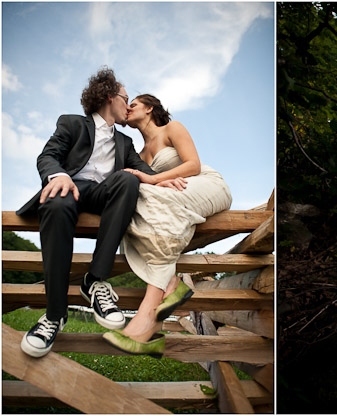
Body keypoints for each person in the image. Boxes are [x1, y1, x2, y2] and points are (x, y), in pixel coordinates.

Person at [16, 67, 160, 358]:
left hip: (102, 194)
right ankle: (54, 316)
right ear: (110, 96)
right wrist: (57, 175)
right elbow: (48, 155)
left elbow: (145, 172)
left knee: (129, 178)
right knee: (57, 203)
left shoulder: (125, 142)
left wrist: (169, 179)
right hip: (68, 187)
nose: (128, 106)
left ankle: (95, 280)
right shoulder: (72, 123)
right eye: (126, 98)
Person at [101, 94, 232, 356]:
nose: (127, 108)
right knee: (130, 210)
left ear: (150, 108)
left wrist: (153, 179)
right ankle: (165, 291)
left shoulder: (172, 128)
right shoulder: (136, 154)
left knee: (146, 194)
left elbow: (192, 165)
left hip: (204, 184)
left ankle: (153, 307)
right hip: (170, 196)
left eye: (133, 104)